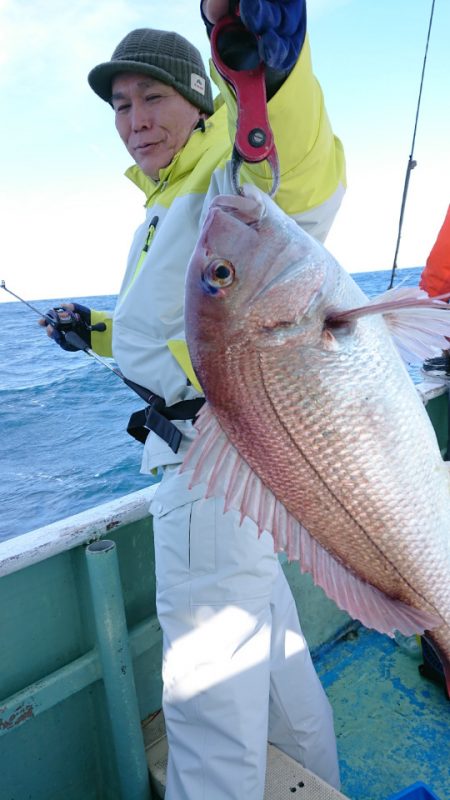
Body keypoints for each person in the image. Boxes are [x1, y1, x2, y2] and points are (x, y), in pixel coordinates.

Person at [41, 2, 346, 798]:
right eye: (121, 105)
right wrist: (95, 331)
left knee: (207, 709)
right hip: (240, 470)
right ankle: (317, 778)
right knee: (277, 662)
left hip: (209, 471)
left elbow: (304, 179)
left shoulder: (224, 178)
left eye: (153, 99)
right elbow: (172, 333)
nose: (135, 121)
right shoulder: (163, 203)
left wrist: (275, 76)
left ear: (202, 101)